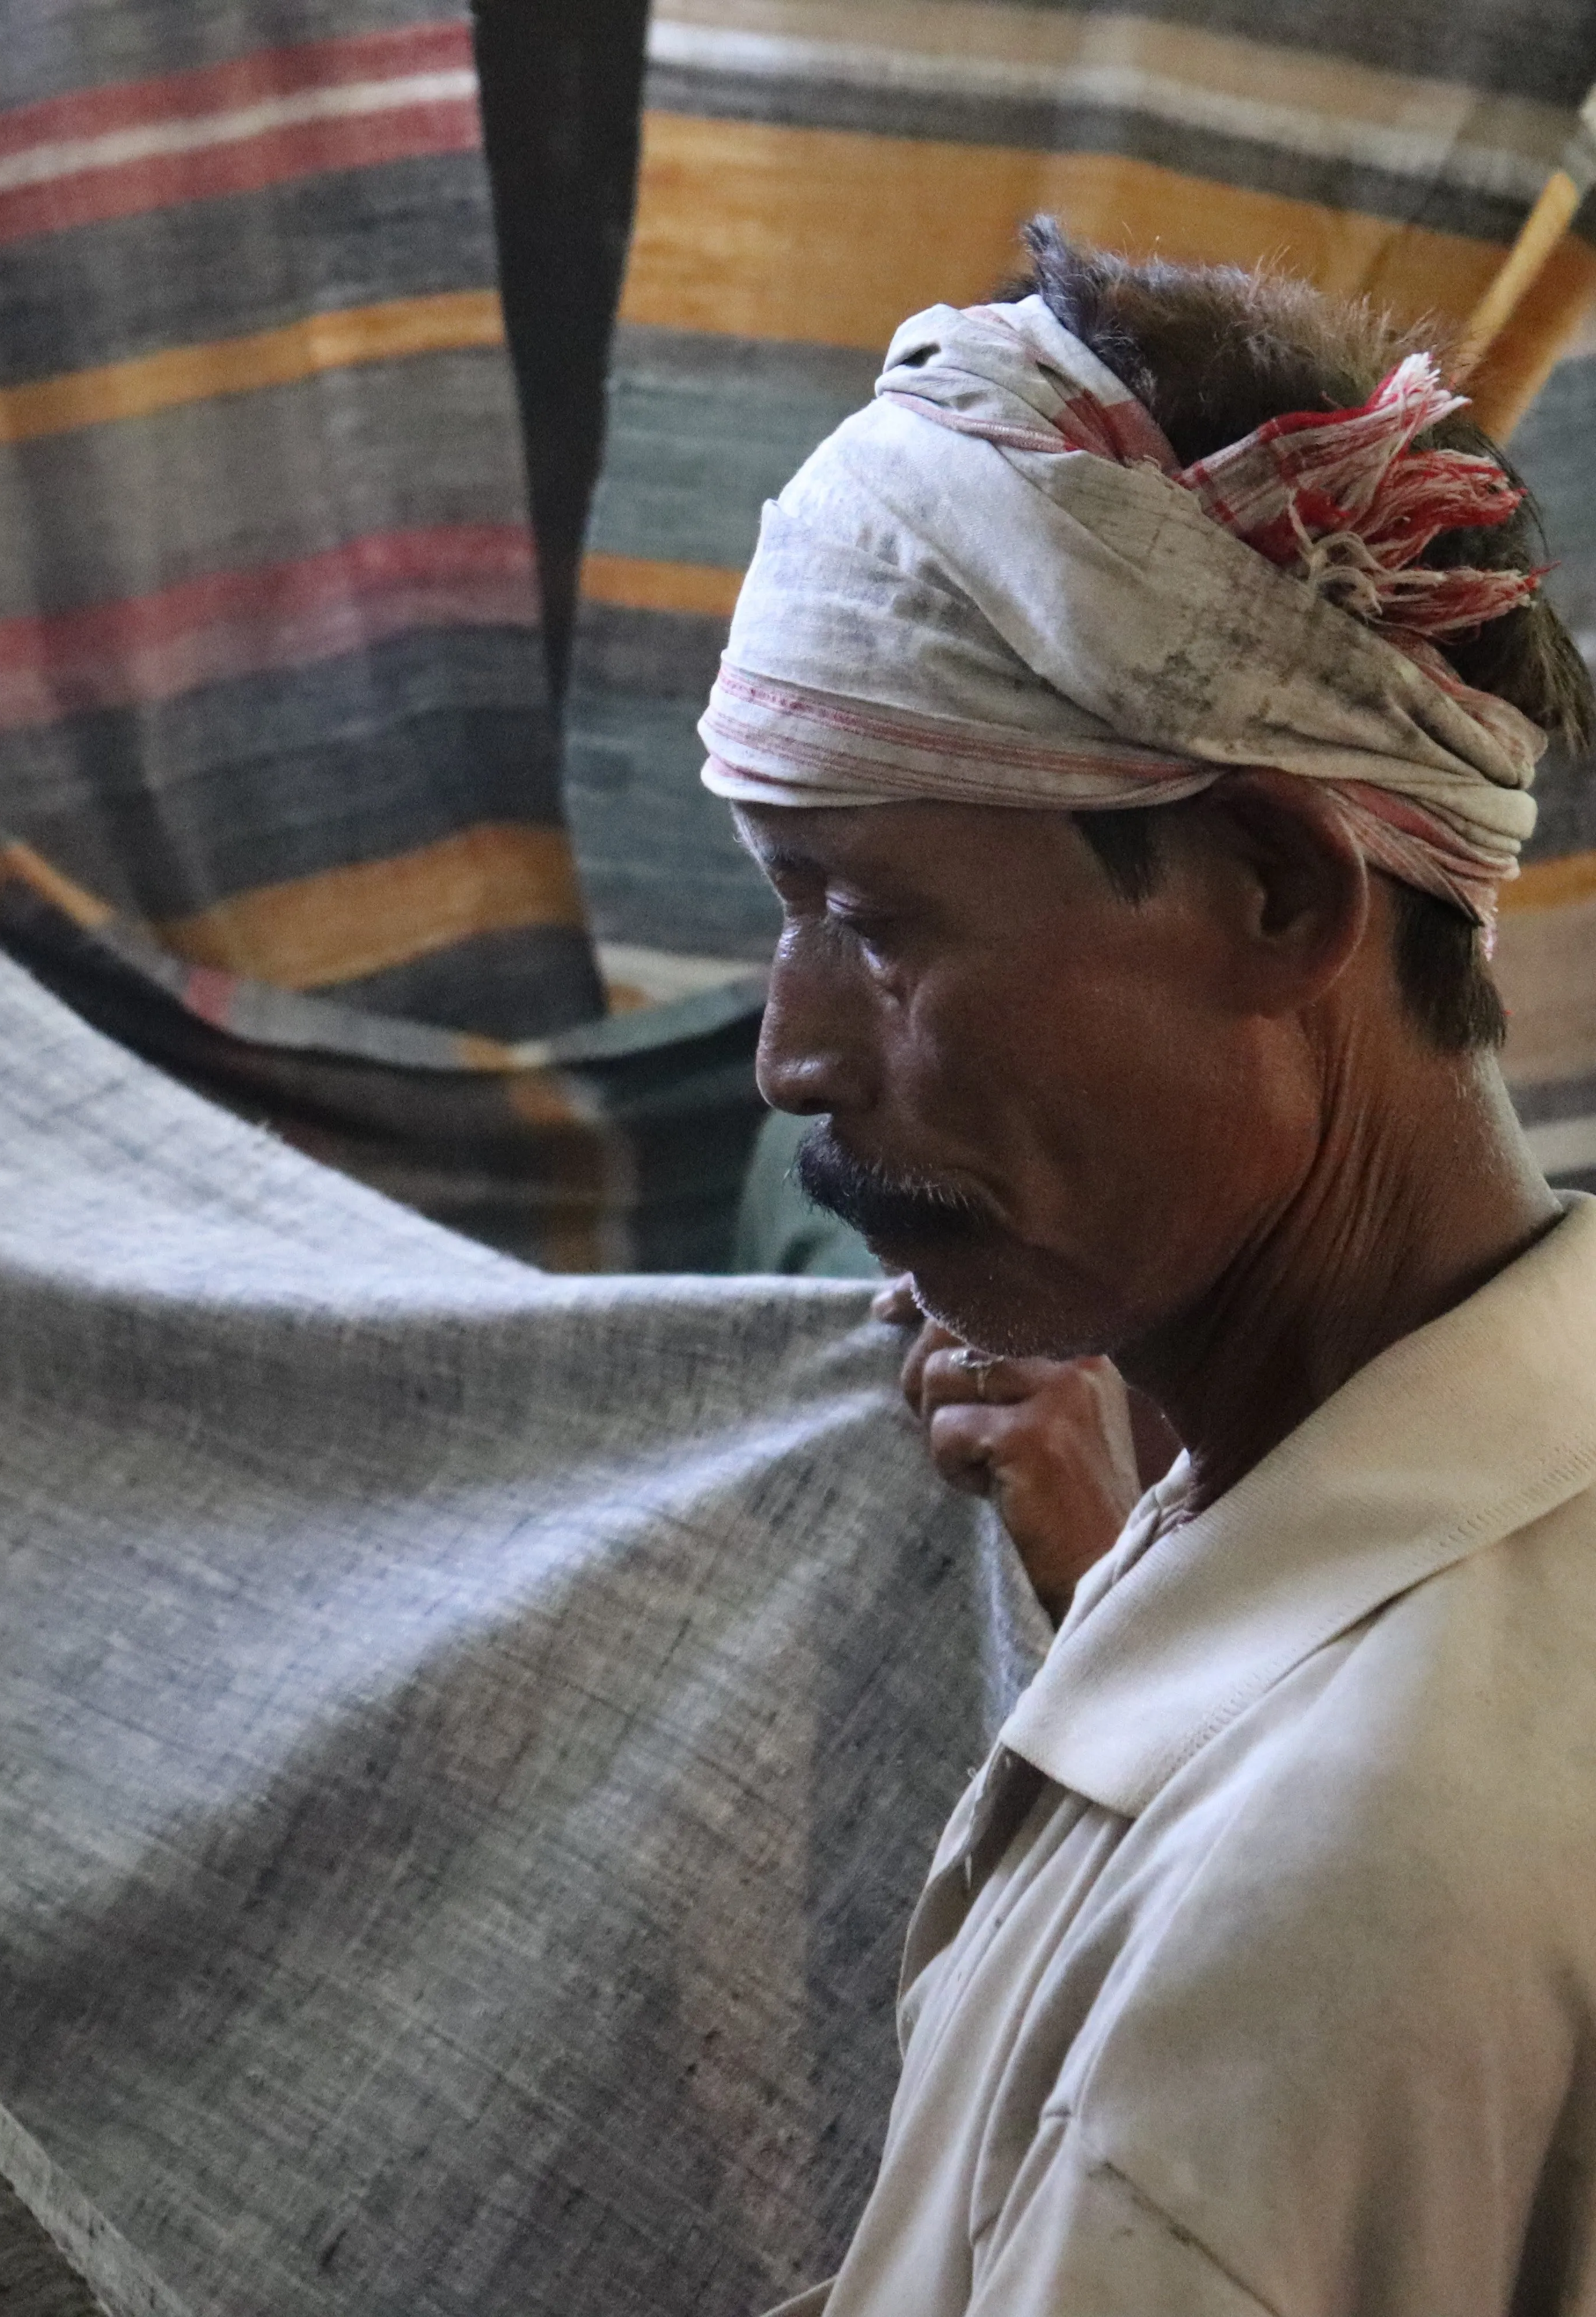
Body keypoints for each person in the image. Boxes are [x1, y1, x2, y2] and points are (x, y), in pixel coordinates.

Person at [718, 218, 1596, 2314]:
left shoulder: (1295, 1929)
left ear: (1279, 897)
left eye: (874, 919)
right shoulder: (1412, 1569)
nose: (790, 1051)